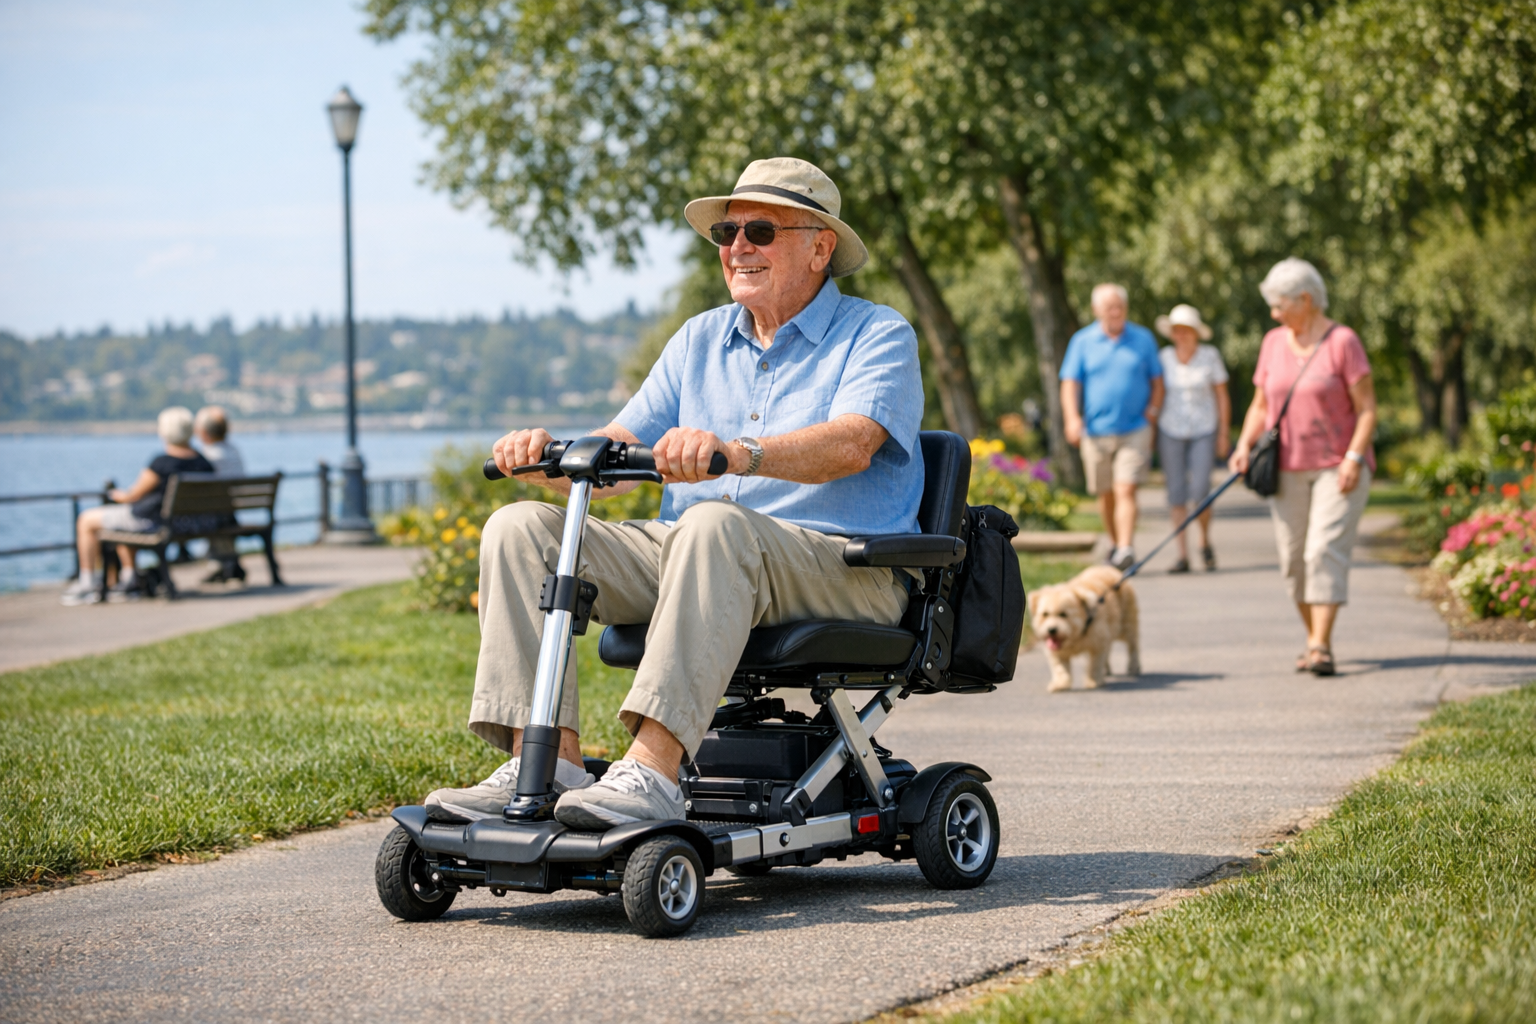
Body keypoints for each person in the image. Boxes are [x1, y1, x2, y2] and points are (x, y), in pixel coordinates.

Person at [425, 157, 924, 828]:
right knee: (520, 530)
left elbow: (852, 444)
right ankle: (547, 763)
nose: (738, 247)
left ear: (820, 246)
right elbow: (610, 446)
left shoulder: (877, 332)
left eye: (759, 231)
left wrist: (738, 454)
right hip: (700, 552)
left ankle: (652, 773)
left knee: (715, 524)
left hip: (843, 567)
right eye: (727, 234)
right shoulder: (699, 339)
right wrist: (543, 459)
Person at [1229, 258, 1377, 677]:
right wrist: (1243, 446)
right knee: (1294, 561)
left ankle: (1319, 644)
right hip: (1286, 468)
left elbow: (1367, 410)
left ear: (1306, 300)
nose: (1275, 315)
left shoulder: (1343, 342)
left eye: (1280, 305)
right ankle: (1316, 639)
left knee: (1321, 550)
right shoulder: (1274, 343)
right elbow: (1261, 404)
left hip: (1338, 466)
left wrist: (1353, 456)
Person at [61, 406, 214, 605]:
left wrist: (117, 494)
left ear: (165, 432)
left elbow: (133, 495)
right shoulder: (203, 462)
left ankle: (87, 582)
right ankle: (129, 579)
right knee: (127, 520)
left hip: (157, 523)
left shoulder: (162, 463)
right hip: (188, 524)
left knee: (86, 520)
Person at [1060, 284, 1165, 571]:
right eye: (1110, 308)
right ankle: (1116, 544)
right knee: (1105, 493)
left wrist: (1152, 412)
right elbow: (1070, 384)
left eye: (1120, 306)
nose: (1116, 312)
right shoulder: (1082, 341)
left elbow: (1158, 382)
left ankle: (1126, 547)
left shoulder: (1143, 339)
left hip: (1136, 428)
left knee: (1126, 489)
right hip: (1095, 431)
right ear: (1097, 310)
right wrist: (1072, 418)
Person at [1154, 304, 1231, 573]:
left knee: (1200, 492)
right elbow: (1158, 392)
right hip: (1170, 429)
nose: (1181, 335)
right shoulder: (1164, 357)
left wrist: (1223, 432)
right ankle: (1182, 554)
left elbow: (1221, 395)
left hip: (1204, 430)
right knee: (1176, 494)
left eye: (1186, 330)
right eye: (1177, 330)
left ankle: (1204, 540)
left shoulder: (1210, 356)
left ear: (1196, 332)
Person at [195, 405, 247, 583]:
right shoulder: (234, 452)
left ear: (203, 432)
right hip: (230, 511)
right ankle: (226, 564)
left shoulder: (206, 456)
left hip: (213, 515)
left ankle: (222, 564)